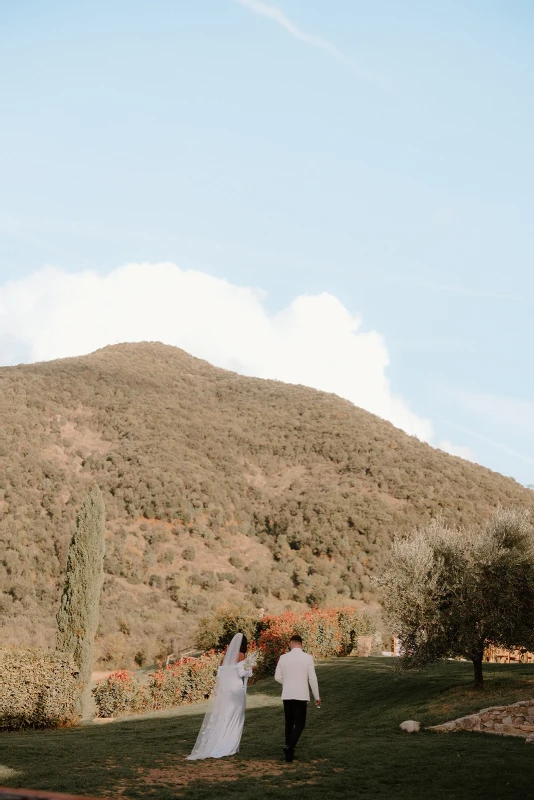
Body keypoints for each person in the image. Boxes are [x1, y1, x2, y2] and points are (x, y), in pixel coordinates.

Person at [187, 632, 254, 760]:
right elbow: (244, 673)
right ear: (244, 644)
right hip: (236, 690)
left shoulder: (225, 658)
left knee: (224, 716)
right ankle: (230, 745)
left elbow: (220, 675)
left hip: (225, 690)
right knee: (235, 717)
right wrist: (252, 666)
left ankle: (220, 741)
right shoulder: (241, 655)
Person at [274, 634, 321, 763]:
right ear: (301, 644)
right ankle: (289, 746)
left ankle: (288, 754)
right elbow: (312, 678)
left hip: (287, 694)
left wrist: (288, 682)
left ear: (291, 644)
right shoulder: (307, 658)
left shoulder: (283, 658)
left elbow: (277, 677)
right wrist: (317, 696)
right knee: (300, 724)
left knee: (289, 723)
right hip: (301, 695)